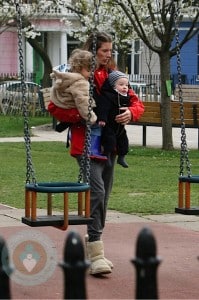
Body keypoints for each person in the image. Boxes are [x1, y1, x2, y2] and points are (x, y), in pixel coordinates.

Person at [49, 32, 144, 276]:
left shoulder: (114, 76)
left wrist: (131, 113)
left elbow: (134, 100)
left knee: (105, 196)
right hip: (87, 144)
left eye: (110, 50)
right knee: (97, 191)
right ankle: (96, 251)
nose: (109, 54)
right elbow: (53, 106)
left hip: (109, 144)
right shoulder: (76, 73)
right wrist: (81, 116)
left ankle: (94, 244)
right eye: (104, 50)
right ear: (93, 50)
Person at [48, 49, 97, 130]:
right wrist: (91, 118)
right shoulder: (80, 82)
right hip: (69, 110)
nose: (91, 73)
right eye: (89, 70)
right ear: (78, 68)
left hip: (56, 106)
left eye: (93, 70)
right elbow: (82, 101)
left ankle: (63, 125)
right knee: (86, 112)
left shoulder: (65, 76)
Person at [97, 70, 131, 168]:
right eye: (121, 84)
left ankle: (122, 156)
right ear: (113, 86)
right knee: (109, 141)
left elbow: (133, 105)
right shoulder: (108, 96)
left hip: (120, 126)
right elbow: (103, 108)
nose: (125, 87)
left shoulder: (126, 96)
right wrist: (102, 119)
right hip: (110, 124)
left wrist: (131, 111)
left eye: (126, 85)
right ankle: (106, 156)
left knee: (124, 140)